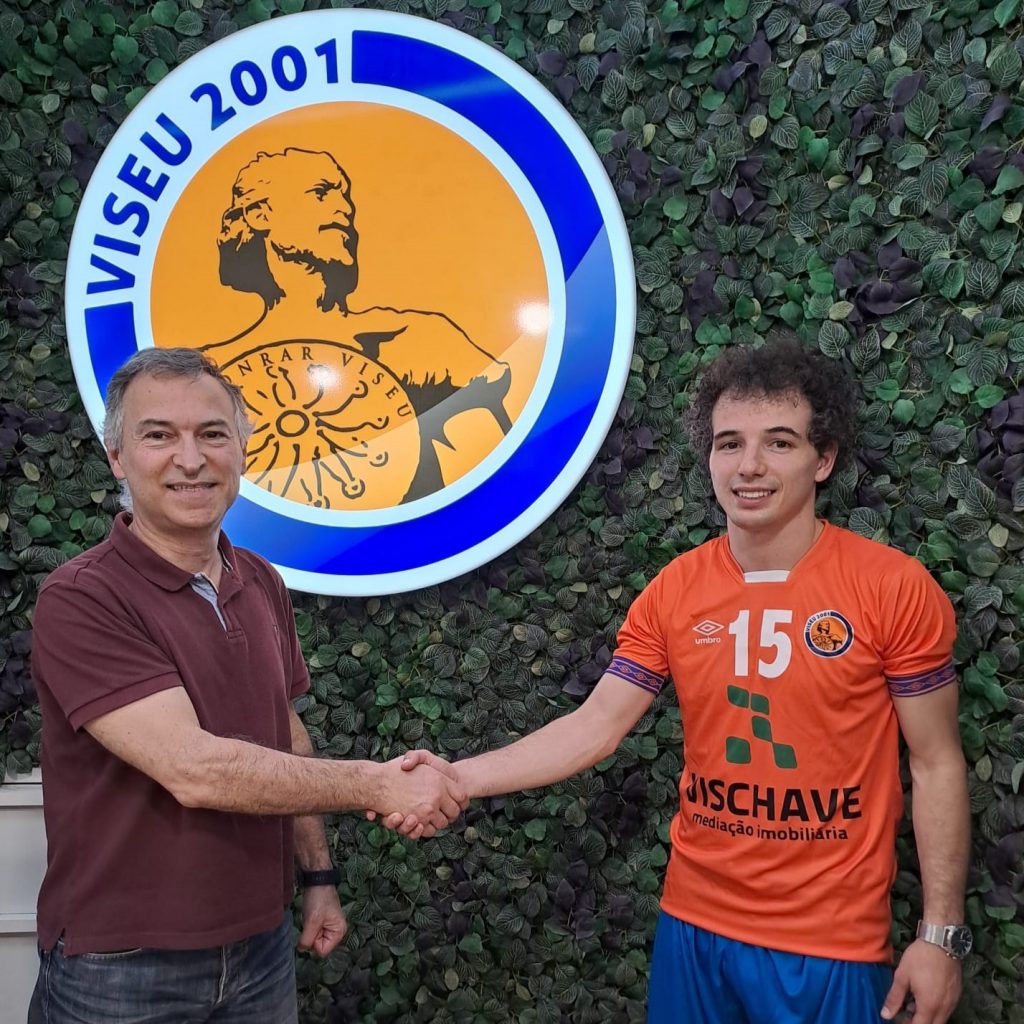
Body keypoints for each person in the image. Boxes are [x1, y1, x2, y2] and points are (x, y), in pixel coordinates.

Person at [393, 337, 971, 1024]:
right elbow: (595, 725)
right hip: (693, 927)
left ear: (823, 460)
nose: (749, 466)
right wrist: (458, 778)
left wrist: (941, 935)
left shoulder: (892, 588)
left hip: (830, 945)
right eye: (729, 444)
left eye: (779, 443)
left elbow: (936, 763)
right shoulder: (675, 590)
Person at [28, 347, 466, 1024]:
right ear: (117, 456)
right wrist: (378, 785)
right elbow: (194, 768)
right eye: (158, 435)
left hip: (262, 947)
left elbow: (284, 730)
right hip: (122, 965)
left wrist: (318, 876)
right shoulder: (83, 598)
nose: (191, 459)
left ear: (241, 452)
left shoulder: (260, 579)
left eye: (212, 434)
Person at [203, 147, 513, 505]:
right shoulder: (211, 371)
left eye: (344, 196)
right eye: (321, 193)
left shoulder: (417, 337)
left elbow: (504, 463)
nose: (345, 209)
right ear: (260, 215)